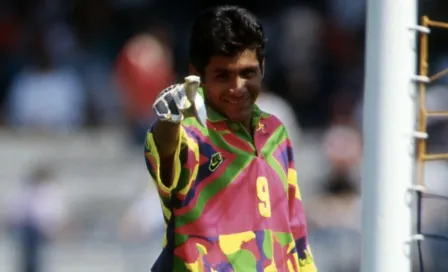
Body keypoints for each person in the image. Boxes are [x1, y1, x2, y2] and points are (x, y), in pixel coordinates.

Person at [144, 5, 317, 271]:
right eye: (222, 75)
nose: (237, 87)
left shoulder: (276, 131)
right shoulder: (189, 131)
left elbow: (296, 231)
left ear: (262, 67)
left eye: (247, 72)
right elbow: (167, 149)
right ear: (196, 74)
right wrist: (169, 119)